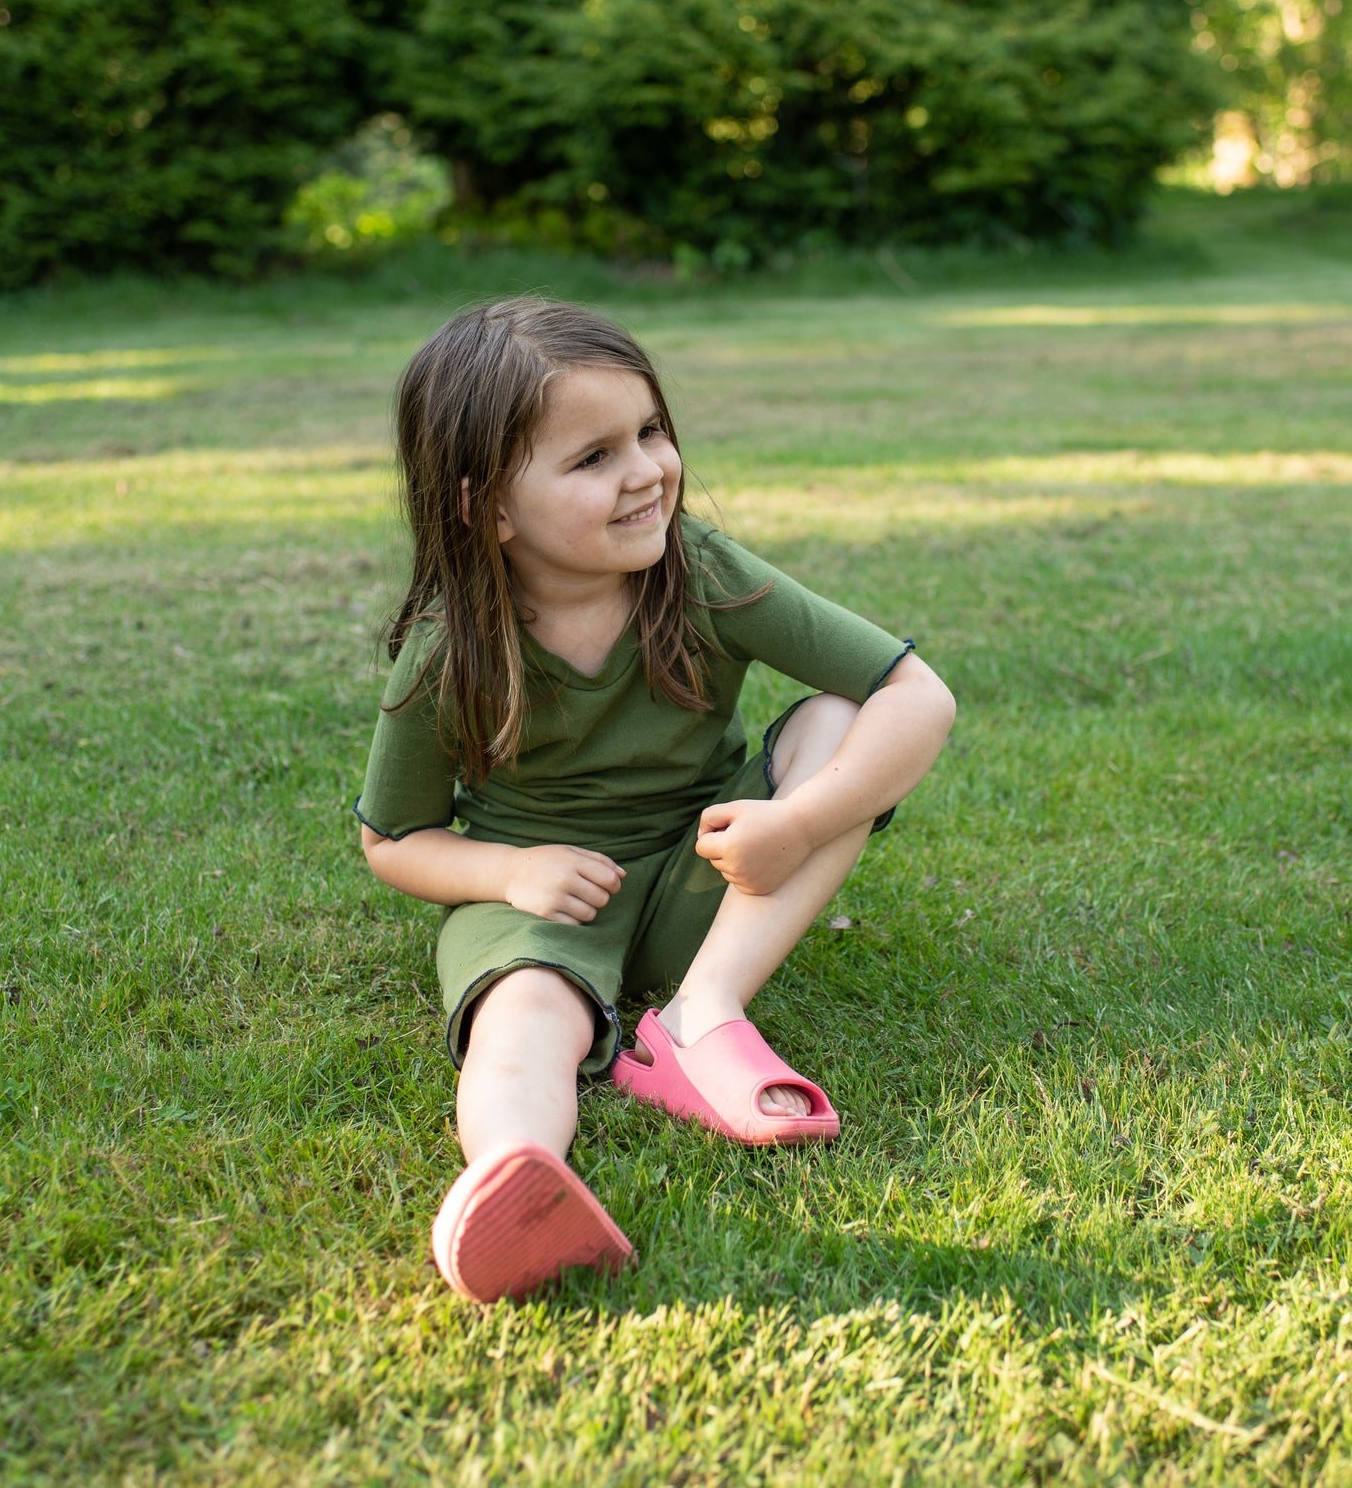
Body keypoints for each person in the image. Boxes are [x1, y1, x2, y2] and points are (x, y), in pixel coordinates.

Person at [357, 298, 955, 1303]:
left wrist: (794, 822)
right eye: (592, 457)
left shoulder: (702, 571)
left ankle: (699, 1014)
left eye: (649, 431)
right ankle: (514, 1175)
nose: (645, 470)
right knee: (522, 1021)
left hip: (719, 883)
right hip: (542, 909)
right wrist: (509, 870)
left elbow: (915, 693)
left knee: (842, 717)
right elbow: (393, 839)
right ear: (487, 507)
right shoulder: (447, 650)